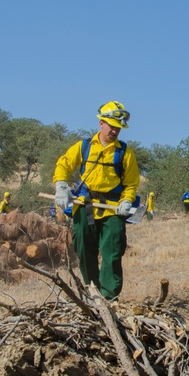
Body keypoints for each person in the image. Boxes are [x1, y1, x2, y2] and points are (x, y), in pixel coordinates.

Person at [53, 101, 140, 300]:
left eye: (118, 128)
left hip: (112, 210)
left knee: (112, 253)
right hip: (85, 206)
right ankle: (92, 293)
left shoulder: (125, 153)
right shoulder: (83, 147)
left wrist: (126, 201)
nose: (115, 131)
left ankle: (109, 298)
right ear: (101, 123)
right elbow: (63, 165)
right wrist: (61, 185)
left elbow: (131, 184)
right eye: (111, 126)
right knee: (84, 250)